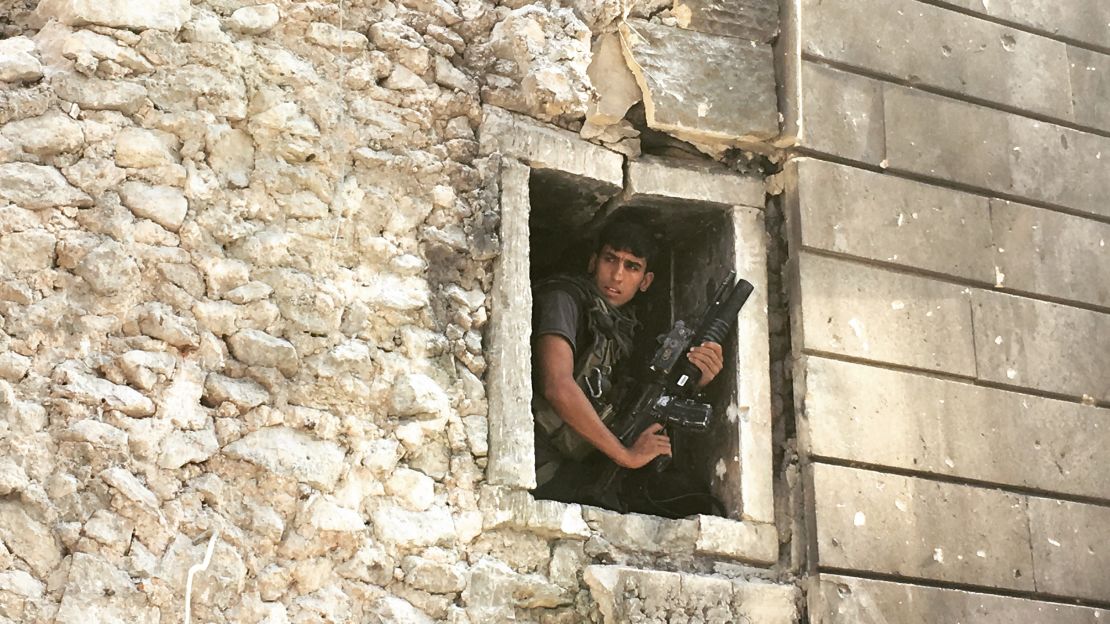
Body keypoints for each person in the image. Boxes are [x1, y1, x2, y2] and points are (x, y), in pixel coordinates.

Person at [531, 218, 724, 507]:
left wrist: (698, 379)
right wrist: (626, 455)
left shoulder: (626, 330)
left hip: (580, 462)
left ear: (646, 281)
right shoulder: (564, 299)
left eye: (632, 266)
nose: (617, 276)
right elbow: (556, 385)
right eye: (611, 260)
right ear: (593, 262)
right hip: (541, 464)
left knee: (694, 500)